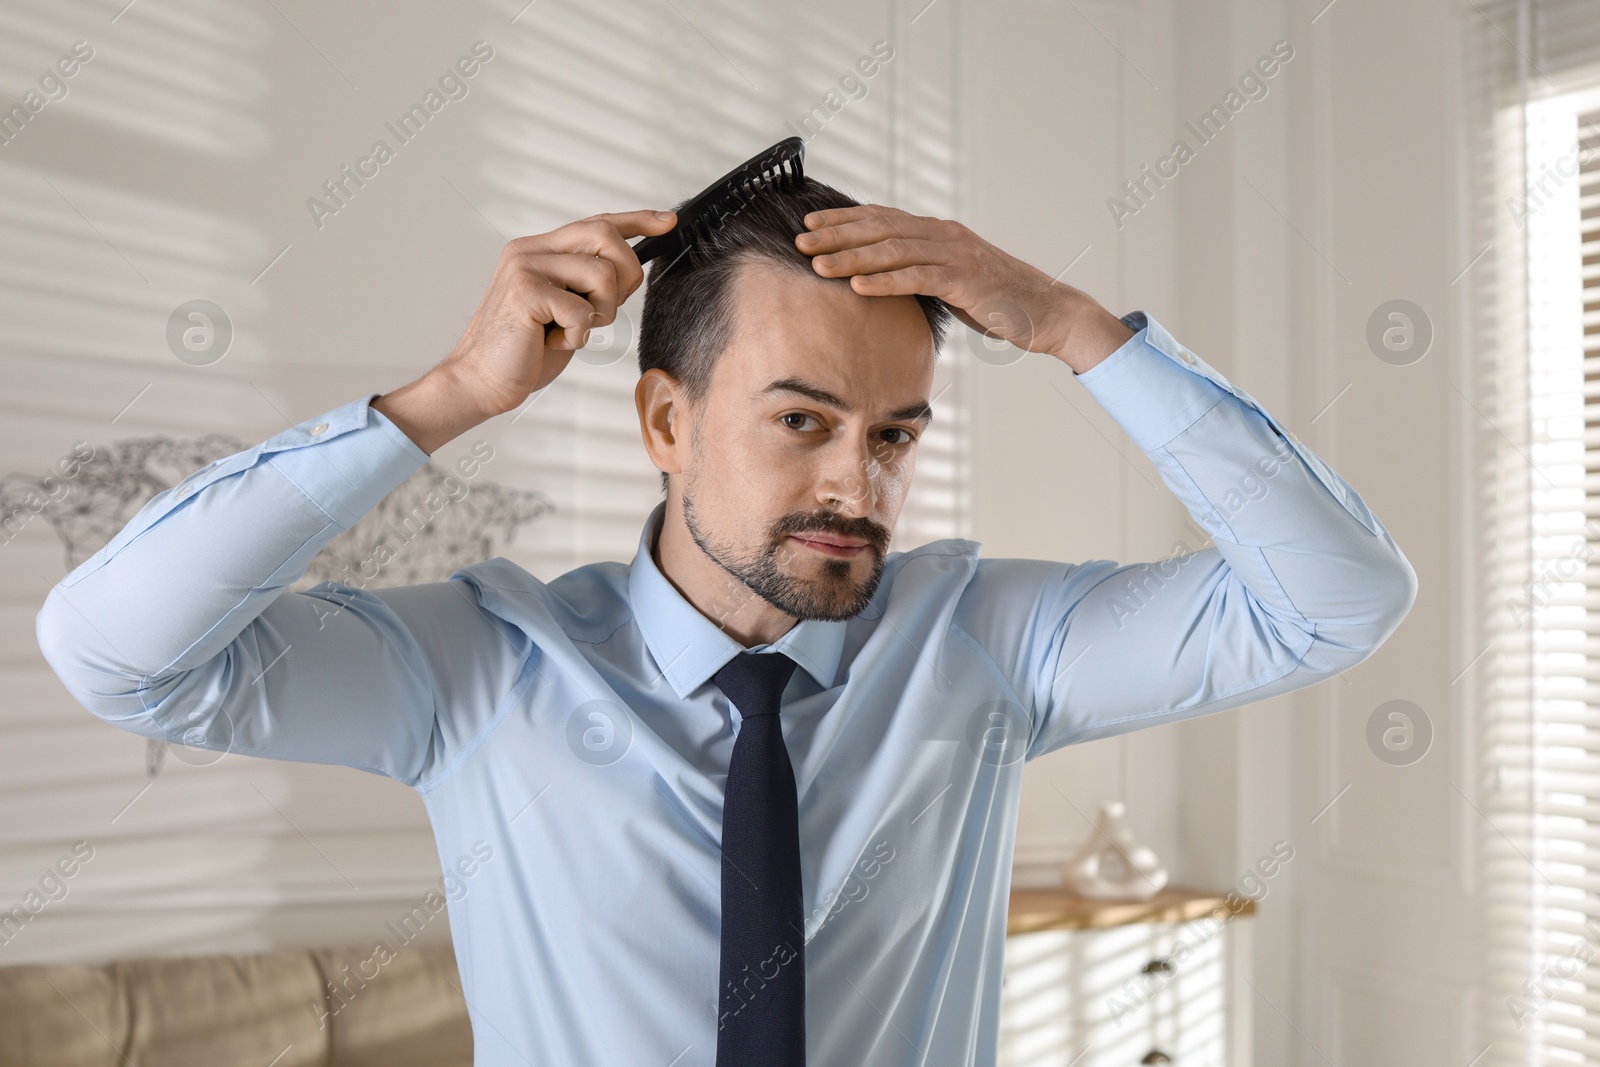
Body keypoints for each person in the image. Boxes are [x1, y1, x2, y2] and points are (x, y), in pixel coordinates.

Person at [36, 176, 1416, 1066]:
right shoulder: (474, 670)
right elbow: (115, 651)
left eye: (894, 433)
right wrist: (451, 396)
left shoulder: (987, 642)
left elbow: (1337, 600)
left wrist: (1070, 327)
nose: (853, 484)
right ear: (664, 420)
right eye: (802, 421)